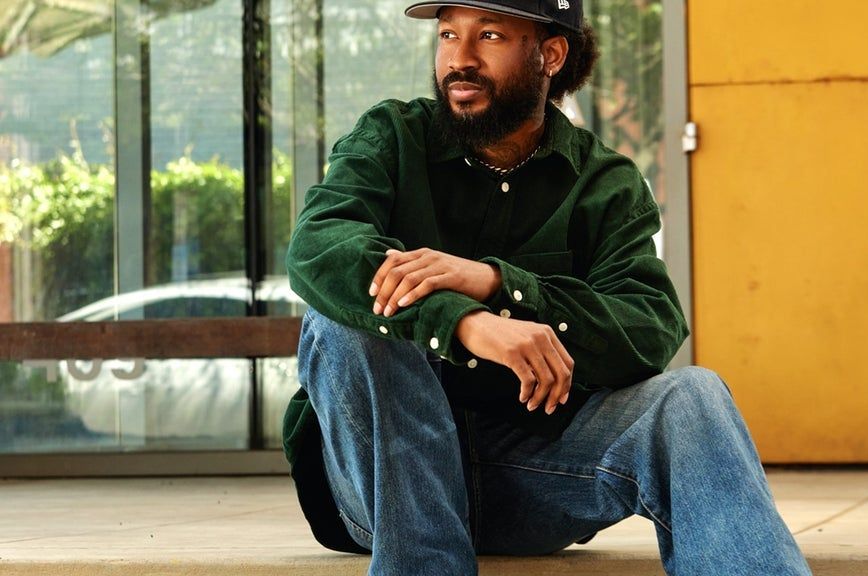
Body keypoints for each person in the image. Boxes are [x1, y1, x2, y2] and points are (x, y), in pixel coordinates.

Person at [283, 1, 813, 574]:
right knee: (345, 315)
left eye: (489, 36)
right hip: (381, 487)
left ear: (551, 54)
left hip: (534, 480)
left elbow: (648, 326)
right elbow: (319, 245)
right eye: (448, 35)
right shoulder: (391, 136)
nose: (459, 59)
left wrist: (500, 285)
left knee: (692, 396)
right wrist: (466, 322)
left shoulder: (603, 183)